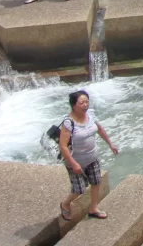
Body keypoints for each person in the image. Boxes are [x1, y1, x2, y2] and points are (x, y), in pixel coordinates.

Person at [59, 90, 119, 221]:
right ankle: (65, 204)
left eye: (87, 102)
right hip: (75, 161)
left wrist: (110, 144)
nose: (85, 105)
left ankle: (93, 208)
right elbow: (63, 146)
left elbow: (100, 129)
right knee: (79, 189)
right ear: (74, 105)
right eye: (82, 103)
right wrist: (74, 164)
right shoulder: (69, 122)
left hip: (92, 157)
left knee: (96, 182)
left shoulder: (91, 115)